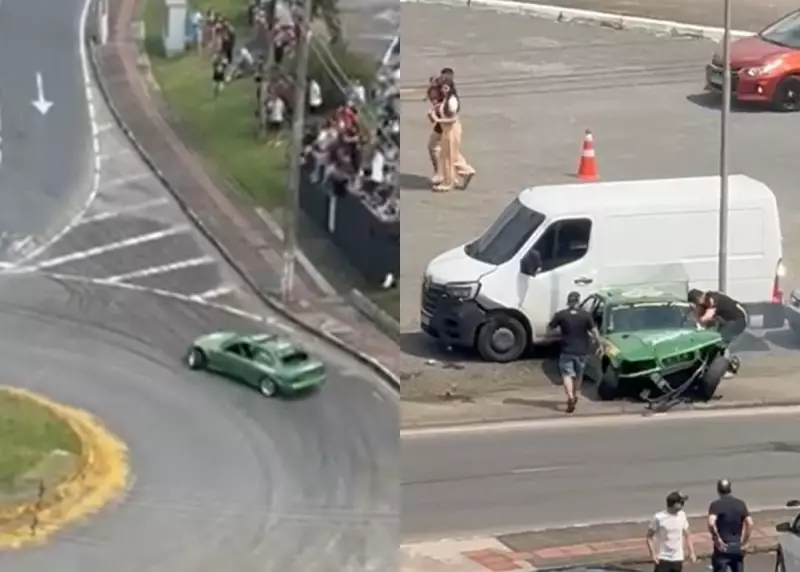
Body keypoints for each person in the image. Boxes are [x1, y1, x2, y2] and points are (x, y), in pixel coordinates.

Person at [547, 291, 598, 413]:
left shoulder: (561, 315)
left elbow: (549, 329)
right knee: (578, 376)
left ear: (568, 302)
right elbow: (595, 331)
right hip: (582, 352)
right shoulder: (586, 315)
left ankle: (570, 396)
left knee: (567, 375)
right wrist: (598, 343)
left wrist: (557, 334)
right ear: (578, 302)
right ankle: (575, 395)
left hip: (566, 350)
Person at [687, 289, 747, 376]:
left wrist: (699, 323)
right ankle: (717, 363)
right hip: (726, 320)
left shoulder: (711, 297)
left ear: (698, 298)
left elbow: (708, 315)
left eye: (696, 304)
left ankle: (728, 366)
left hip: (739, 319)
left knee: (720, 341)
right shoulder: (703, 303)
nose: (697, 306)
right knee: (712, 338)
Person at [708, 479, 753, 572]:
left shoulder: (715, 505)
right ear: (730, 489)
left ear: (718, 490)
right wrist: (745, 542)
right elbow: (750, 523)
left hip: (722, 547)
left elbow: (711, 523)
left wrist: (717, 539)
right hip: (737, 545)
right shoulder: (740, 504)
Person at [646, 491, 697, 572]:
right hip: (663, 558)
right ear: (674, 504)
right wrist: (653, 554)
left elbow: (688, 535)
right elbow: (649, 537)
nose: (683, 505)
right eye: (681, 503)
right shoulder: (659, 518)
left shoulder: (682, 515)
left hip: (678, 558)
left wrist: (692, 553)